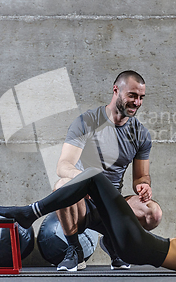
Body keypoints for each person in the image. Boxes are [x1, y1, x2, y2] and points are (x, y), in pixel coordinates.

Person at [0, 145, 176, 273]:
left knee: (93, 176)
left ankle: (29, 213)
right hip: (140, 245)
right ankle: (44, 219)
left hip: (140, 245)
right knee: (94, 189)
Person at [52, 70, 162, 271]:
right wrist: (85, 180)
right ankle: (74, 249)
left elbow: (140, 176)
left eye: (141, 98)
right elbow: (63, 166)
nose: (137, 103)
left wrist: (144, 185)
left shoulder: (141, 134)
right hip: (82, 203)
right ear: (116, 91)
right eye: (132, 96)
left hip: (112, 204)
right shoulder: (86, 122)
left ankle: (112, 242)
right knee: (61, 185)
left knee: (152, 213)